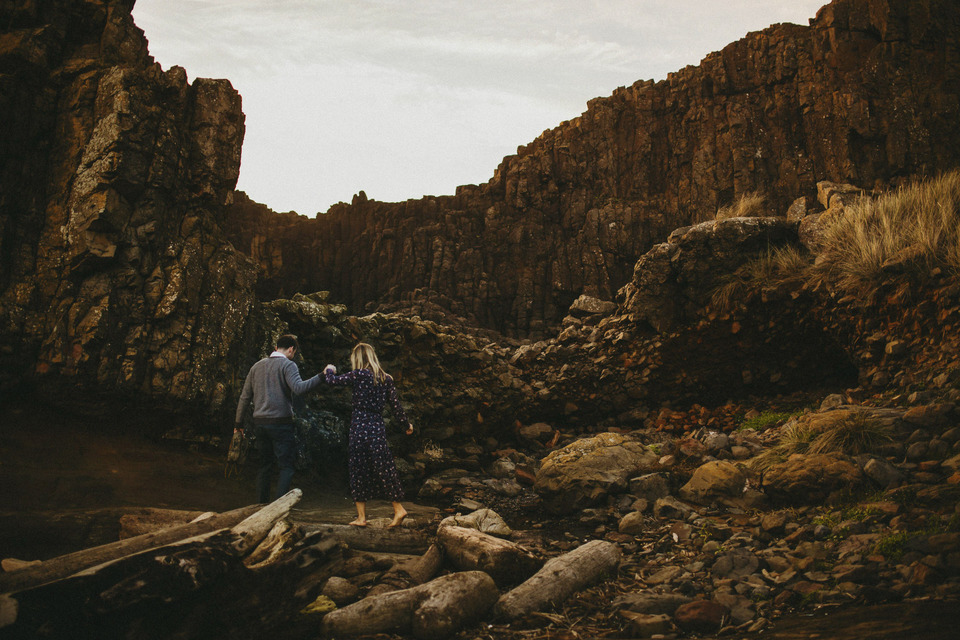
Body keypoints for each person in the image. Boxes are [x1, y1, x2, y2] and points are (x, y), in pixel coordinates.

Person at [324, 343, 413, 527]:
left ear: (358, 358)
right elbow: (396, 407)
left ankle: (361, 517)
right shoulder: (385, 378)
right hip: (377, 427)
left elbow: (333, 382)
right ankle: (398, 509)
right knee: (384, 467)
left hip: (359, 426)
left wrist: (329, 370)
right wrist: (406, 425)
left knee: (358, 469)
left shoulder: (358, 375)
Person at [235, 334, 323, 503]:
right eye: (293, 352)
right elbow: (299, 388)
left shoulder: (256, 366)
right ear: (291, 349)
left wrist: (237, 423)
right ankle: (276, 509)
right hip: (281, 424)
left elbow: (244, 397)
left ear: (276, 348)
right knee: (286, 467)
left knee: (264, 466)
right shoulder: (288, 365)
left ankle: (261, 506)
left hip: (259, 424)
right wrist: (322, 376)